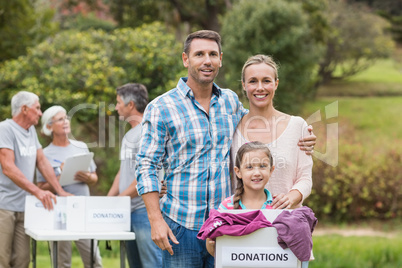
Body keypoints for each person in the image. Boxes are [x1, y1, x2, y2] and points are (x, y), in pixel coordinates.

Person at [135, 30, 315, 268]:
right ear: (185, 59)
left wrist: (307, 137)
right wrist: (155, 219)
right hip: (181, 226)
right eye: (199, 54)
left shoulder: (230, 104)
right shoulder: (161, 107)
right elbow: (146, 164)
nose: (206, 60)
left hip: (228, 225)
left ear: (221, 59)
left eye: (212, 54)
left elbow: (262, 133)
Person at [231, 54, 314, 210]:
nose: (260, 87)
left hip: (286, 223)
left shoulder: (297, 126)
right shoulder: (232, 128)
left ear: (276, 84)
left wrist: (290, 198)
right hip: (242, 225)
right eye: (253, 81)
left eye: (266, 81)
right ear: (244, 85)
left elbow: (305, 178)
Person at [0, 91, 71, 268]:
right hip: (4, 207)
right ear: (24, 109)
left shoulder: (30, 131)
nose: (40, 113)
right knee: (2, 260)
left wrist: (59, 190)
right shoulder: (5, 129)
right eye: (37, 108)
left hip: (24, 207)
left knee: (23, 261)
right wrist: (38, 191)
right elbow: (8, 168)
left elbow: (41, 161)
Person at [36, 105, 103, 268]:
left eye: (66, 118)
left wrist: (88, 177)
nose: (65, 121)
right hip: (58, 213)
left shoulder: (81, 146)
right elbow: (41, 187)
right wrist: (60, 172)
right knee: (61, 263)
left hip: (82, 210)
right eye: (60, 119)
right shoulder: (44, 154)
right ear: (49, 126)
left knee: (95, 261)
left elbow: (94, 178)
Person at [107, 83, 162, 267]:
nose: (116, 107)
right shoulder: (129, 135)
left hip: (143, 212)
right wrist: (109, 199)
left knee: (151, 264)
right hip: (127, 211)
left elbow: (146, 175)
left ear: (130, 105)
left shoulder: (147, 132)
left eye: (118, 102)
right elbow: (124, 171)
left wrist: (120, 199)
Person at [206, 141, 275, 255]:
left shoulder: (278, 206)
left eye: (263, 166)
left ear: (271, 170)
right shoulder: (227, 206)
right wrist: (212, 244)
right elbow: (214, 250)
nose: (257, 172)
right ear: (238, 172)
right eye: (249, 167)